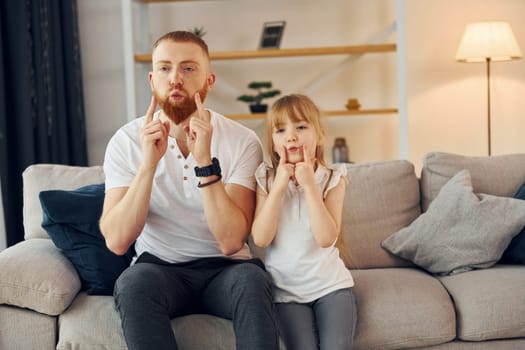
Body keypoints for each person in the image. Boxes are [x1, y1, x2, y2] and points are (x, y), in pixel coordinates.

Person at [99, 31, 279, 350]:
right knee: (132, 282)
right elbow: (116, 241)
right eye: (165, 69)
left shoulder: (242, 140)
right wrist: (148, 165)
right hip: (159, 268)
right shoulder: (125, 142)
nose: (175, 79)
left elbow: (230, 241)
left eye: (188, 68)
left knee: (253, 281)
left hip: (226, 270)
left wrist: (204, 161)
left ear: (209, 81)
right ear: (152, 79)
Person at [251, 94, 357, 350]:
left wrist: (310, 187)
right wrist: (277, 188)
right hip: (286, 292)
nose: (291, 136)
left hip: (331, 286)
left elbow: (326, 238)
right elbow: (261, 239)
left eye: (300, 127)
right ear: (273, 143)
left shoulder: (333, 177)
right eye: (280, 130)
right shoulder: (265, 179)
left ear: (319, 136)